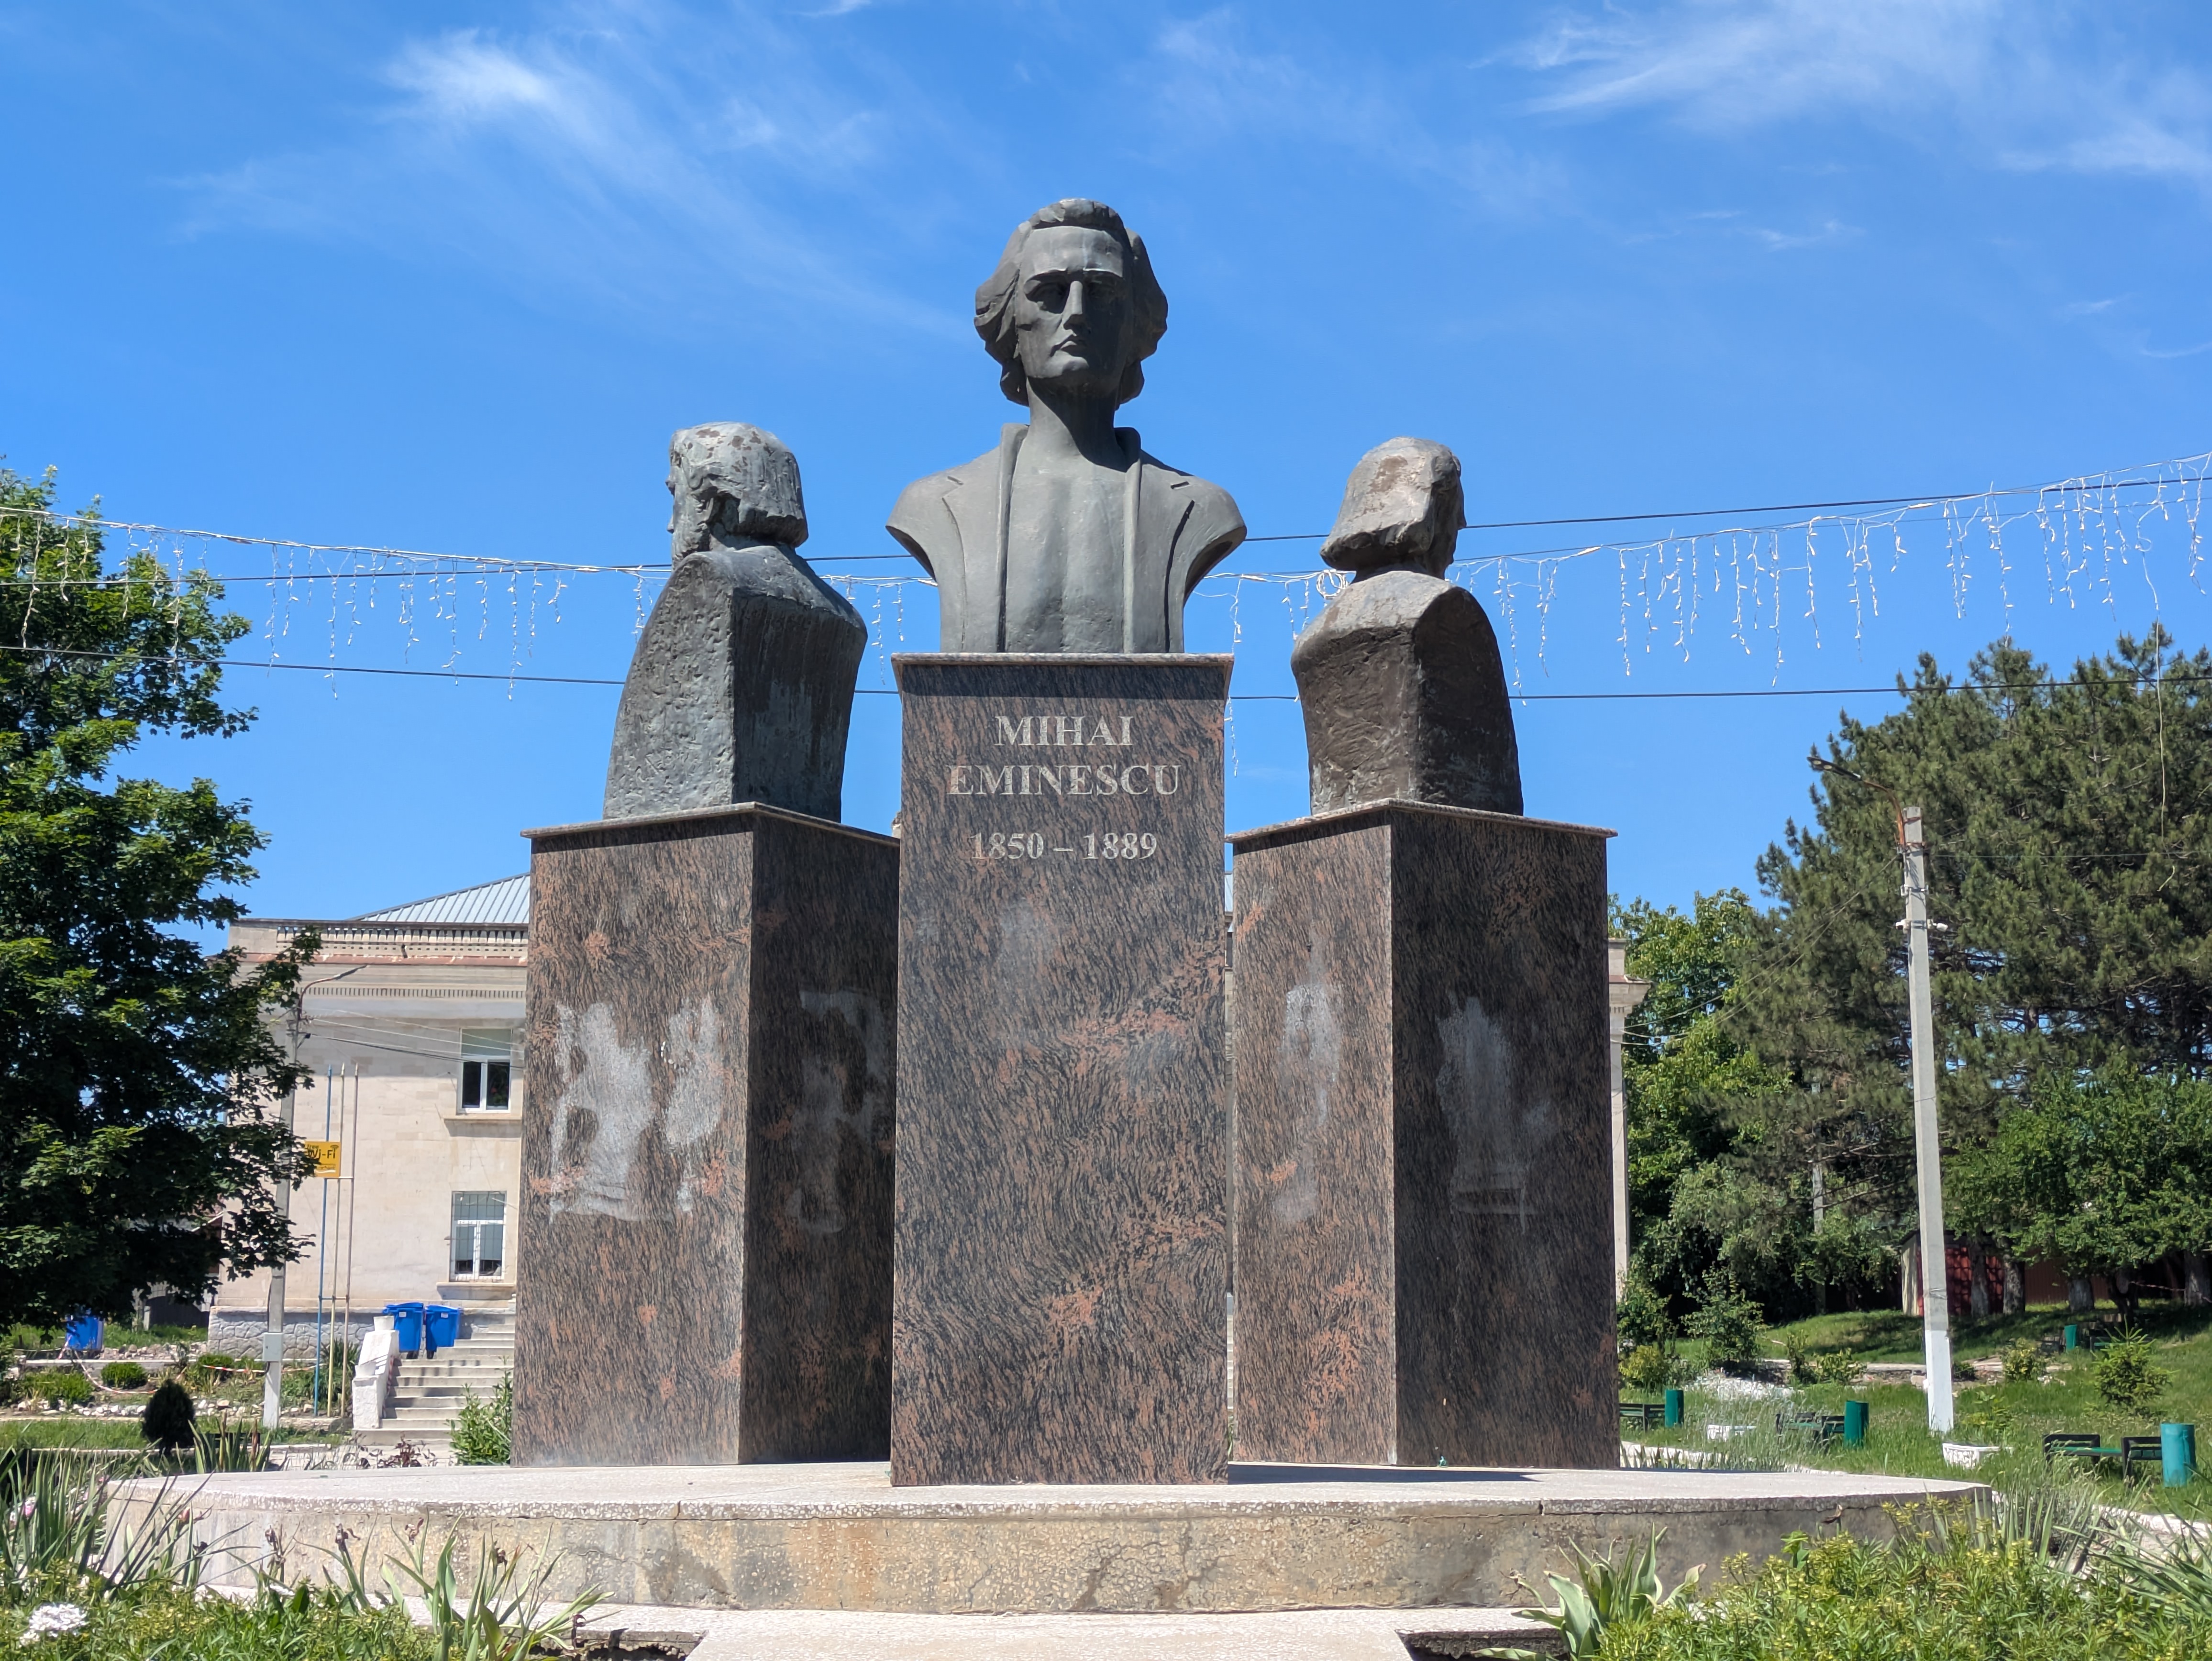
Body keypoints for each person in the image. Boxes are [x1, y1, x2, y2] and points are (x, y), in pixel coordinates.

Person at [887, 199, 1244, 653]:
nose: (1076, 312)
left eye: (1101, 291)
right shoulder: (933, 504)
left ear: (1136, 323)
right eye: (1051, 291)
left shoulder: (1202, 508)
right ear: (1010, 321)